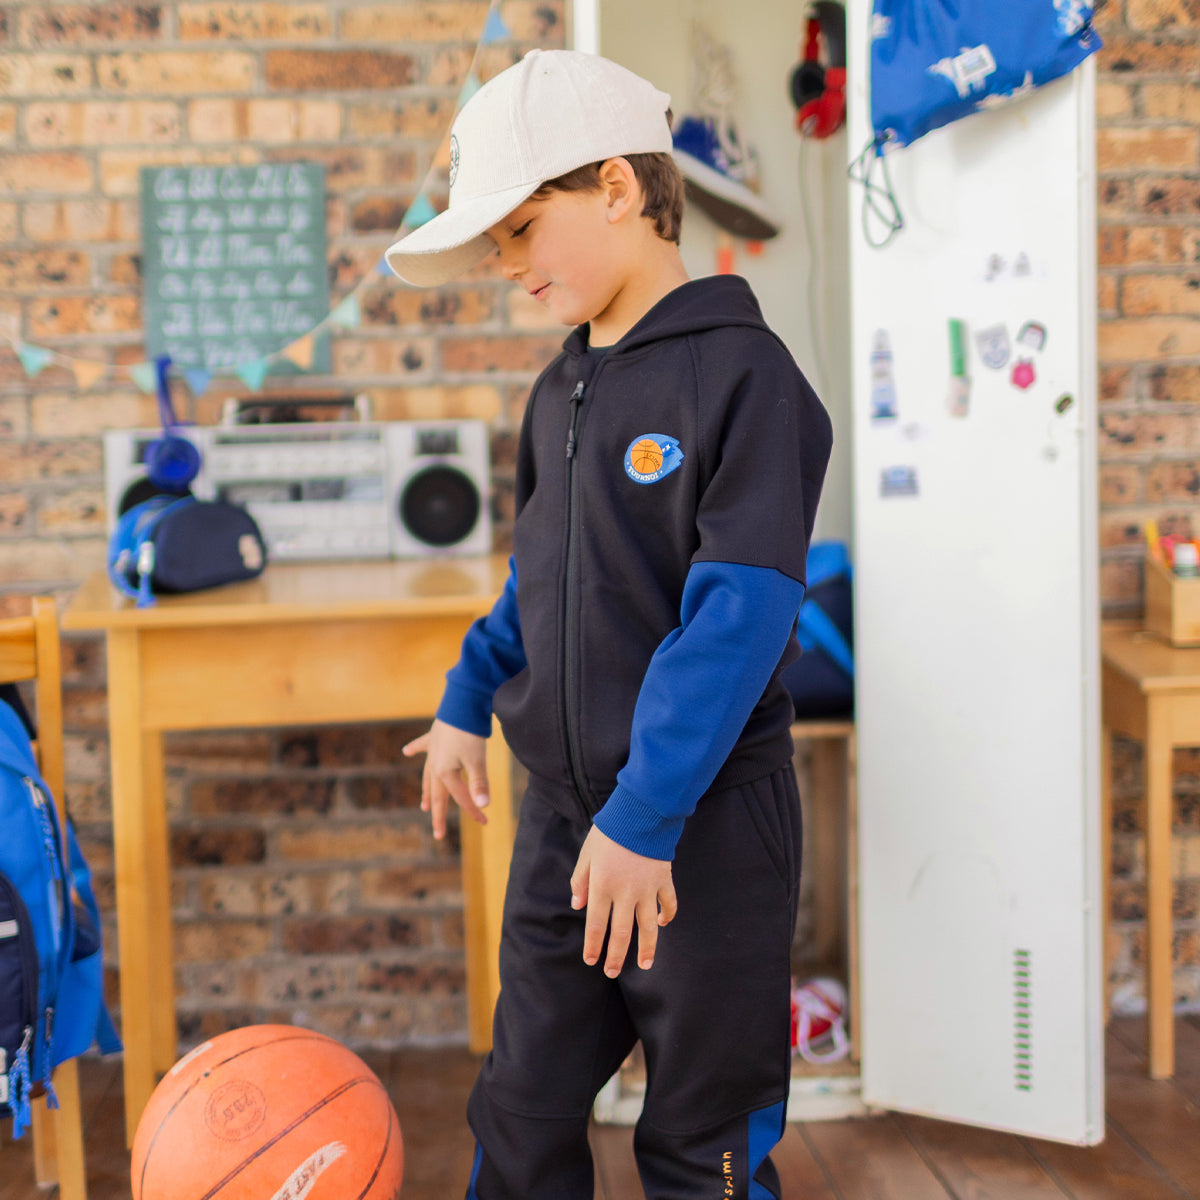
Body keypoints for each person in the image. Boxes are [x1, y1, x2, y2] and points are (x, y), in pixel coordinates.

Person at [387, 47, 833, 1200]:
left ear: (621, 191)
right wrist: (463, 703)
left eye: (525, 229)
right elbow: (542, 583)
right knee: (522, 1108)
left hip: (703, 832)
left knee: (700, 1135)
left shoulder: (748, 380)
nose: (509, 266)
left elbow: (738, 618)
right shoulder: (558, 390)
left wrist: (646, 818)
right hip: (565, 827)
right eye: (496, 246)